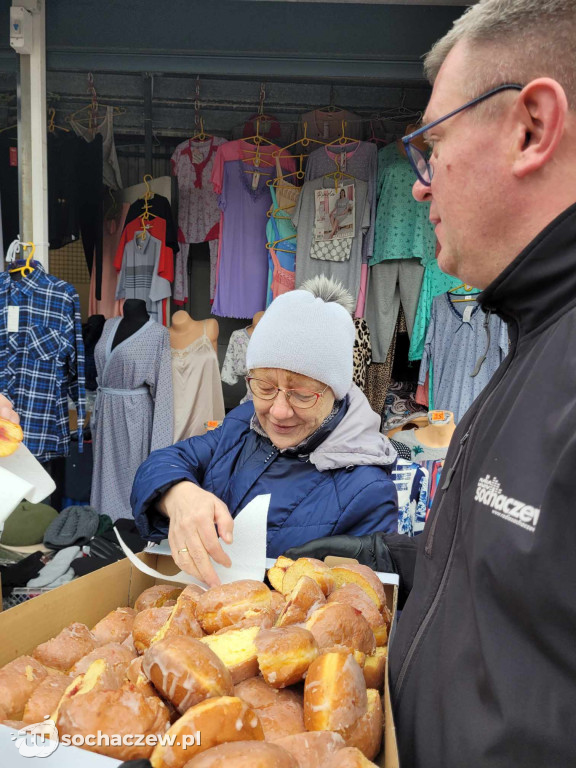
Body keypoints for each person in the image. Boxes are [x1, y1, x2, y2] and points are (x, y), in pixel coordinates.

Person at [285, 2, 576, 766]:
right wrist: (385, 553)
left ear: (531, 127)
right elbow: (511, 583)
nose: (418, 187)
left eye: (432, 145)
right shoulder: (533, 333)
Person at [131, 276, 398, 587]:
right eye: (265, 387)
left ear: (334, 392)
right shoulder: (243, 424)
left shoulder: (369, 492)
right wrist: (177, 495)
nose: (279, 411)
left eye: (301, 394)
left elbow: (355, 611)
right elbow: (164, 462)